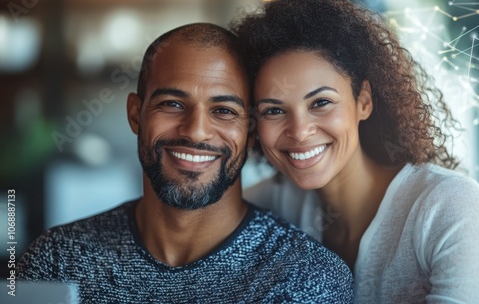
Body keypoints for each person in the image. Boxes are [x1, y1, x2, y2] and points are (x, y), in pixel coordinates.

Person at [16, 23, 354, 303]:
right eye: (173, 104)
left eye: (223, 110)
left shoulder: (306, 277)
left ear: (250, 132)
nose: (196, 131)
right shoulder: (56, 261)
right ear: (136, 114)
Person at [233, 0, 479, 303]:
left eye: (320, 102)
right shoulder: (269, 206)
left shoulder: (446, 206)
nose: (300, 131)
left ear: (364, 101)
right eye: (274, 110)